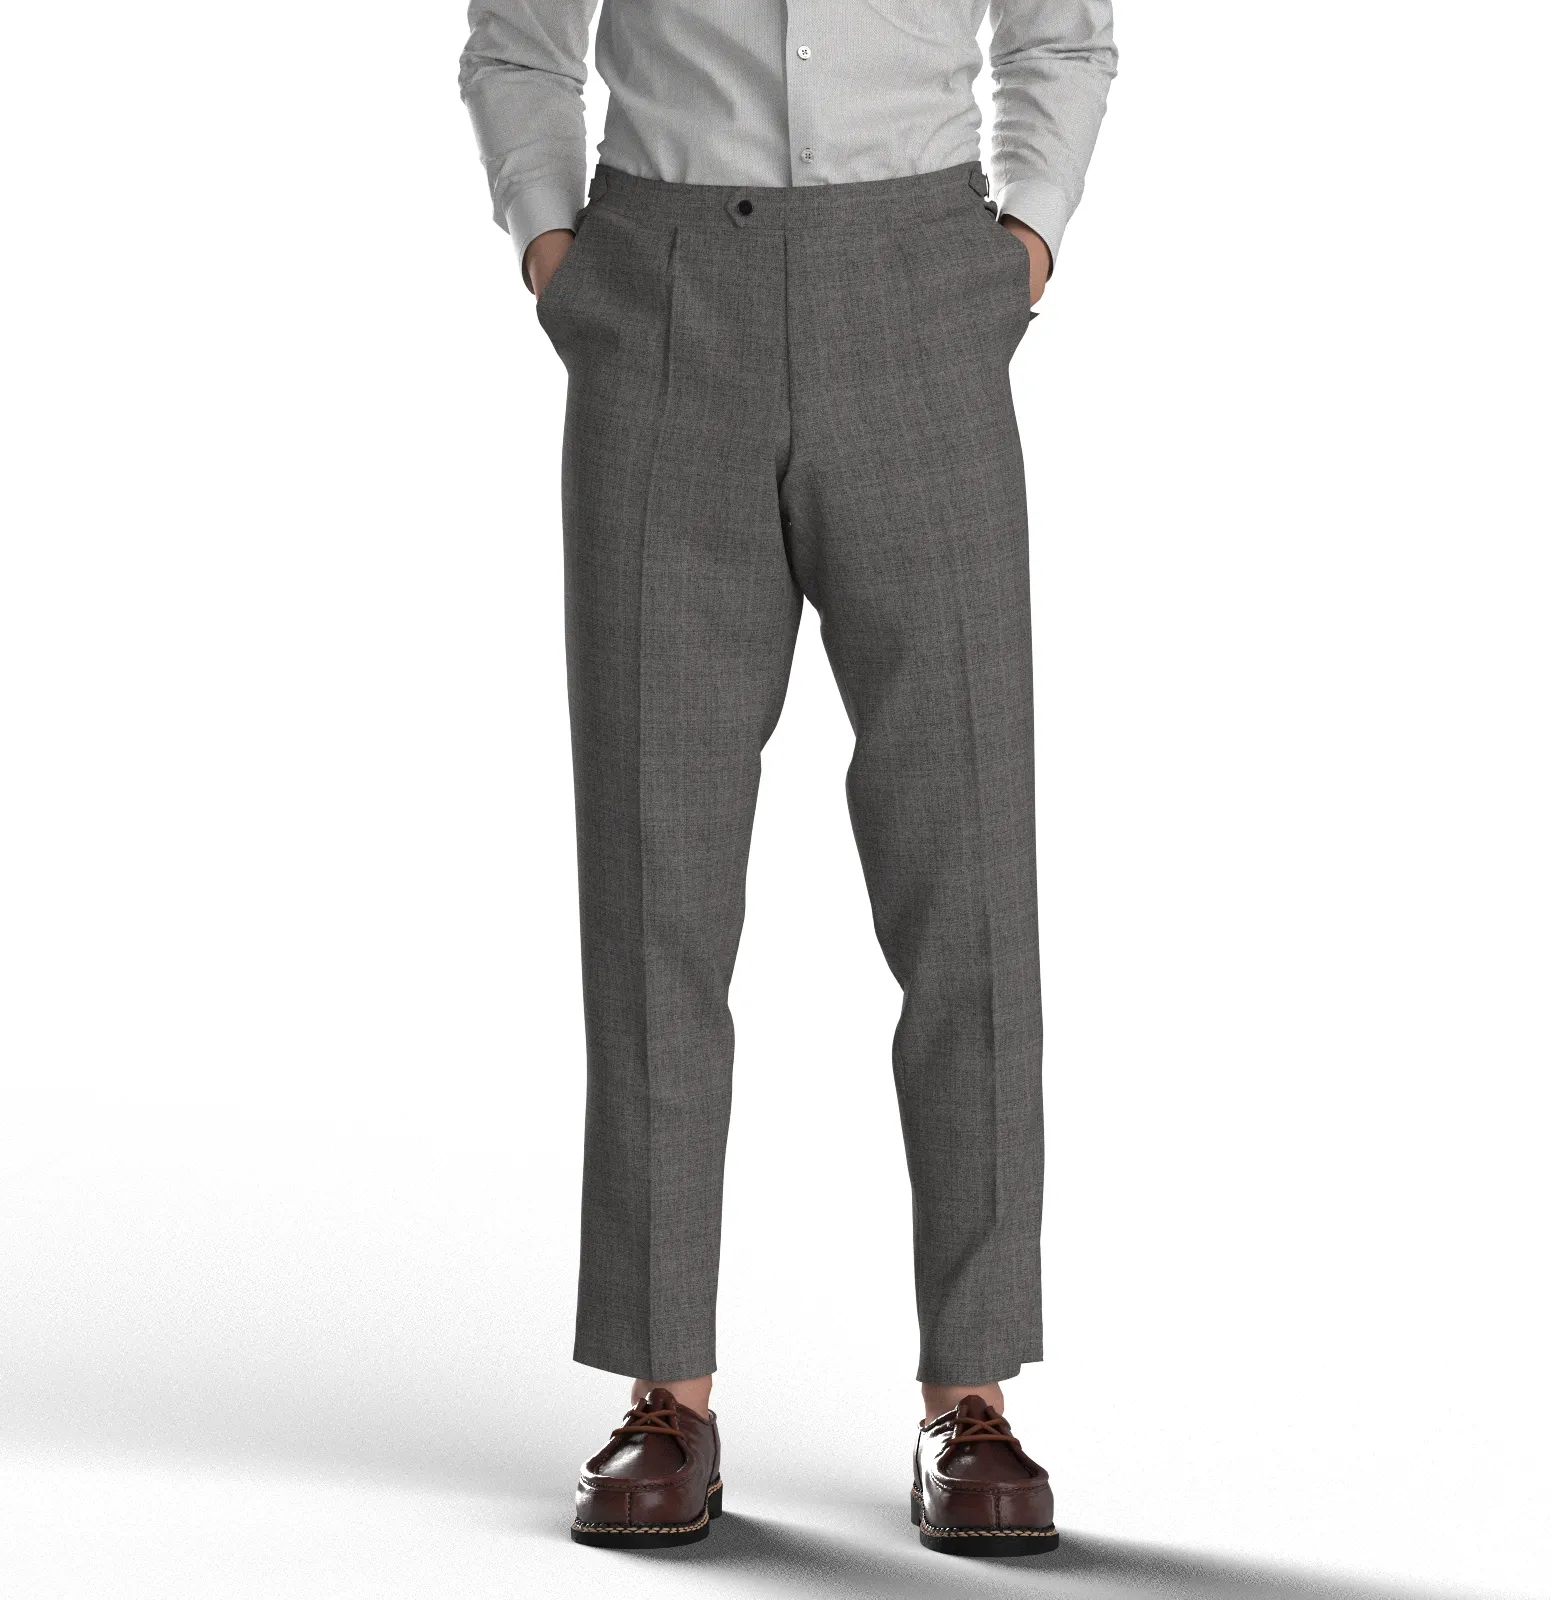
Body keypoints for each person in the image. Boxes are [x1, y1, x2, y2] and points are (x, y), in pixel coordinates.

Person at [459, 0, 1115, 1557]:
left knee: (969, 879)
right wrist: (559, 256)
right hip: (662, 295)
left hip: (922, 286)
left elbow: (1062, 37)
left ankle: (973, 1395)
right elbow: (518, 43)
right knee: (654, 881)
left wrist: (1019, 247)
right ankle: (663, 1393)